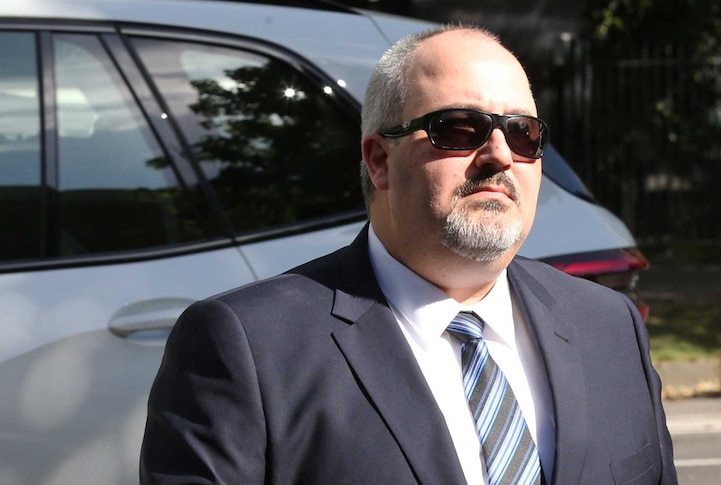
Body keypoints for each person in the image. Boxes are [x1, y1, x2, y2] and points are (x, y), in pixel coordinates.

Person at [140, 25, 677, 485]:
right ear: (379, 160)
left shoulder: (609, 327)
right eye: (459, 129)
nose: (498, 155)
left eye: (522, 134)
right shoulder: (246, 348)